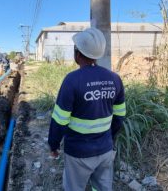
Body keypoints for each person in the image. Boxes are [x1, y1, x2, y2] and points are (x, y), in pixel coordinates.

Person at [48, 28, 126, 191]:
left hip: (78, 154)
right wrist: (108, 138)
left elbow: (60, 120)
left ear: (77, 53)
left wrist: (53, 145)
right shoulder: (115, 79)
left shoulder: (72, 80)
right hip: (105, 150)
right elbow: (120, 116)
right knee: (102, 187)